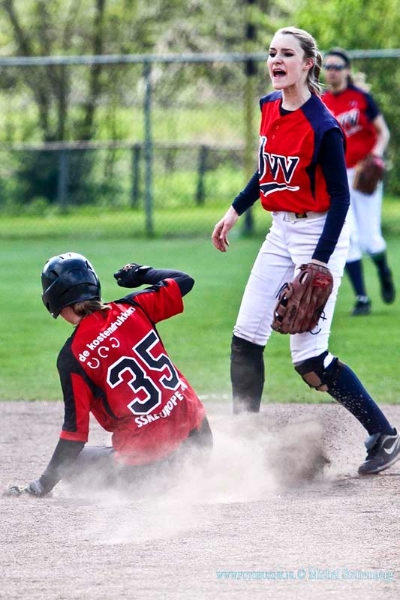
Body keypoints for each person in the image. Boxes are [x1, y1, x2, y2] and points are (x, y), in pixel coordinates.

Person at [211, 26, 400, 475]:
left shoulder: (324, 126)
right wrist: (235, 211)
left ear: (307, 63)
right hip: (280, 231)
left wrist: (318, 259)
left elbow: (341, 200)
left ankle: (384, 434)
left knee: (309, 361)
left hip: (321, 232)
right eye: (272, 52)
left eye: (287, 54)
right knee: (245, 338)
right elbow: (267, 172)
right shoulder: (268, 107)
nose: (276, 60)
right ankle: (246, 447)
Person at [5, 253, 212, 497]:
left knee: (75, 465)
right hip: (200, 443)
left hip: (152, 471)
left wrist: (40, 486)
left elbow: (74, 437)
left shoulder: (72, 357)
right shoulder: (133, 306)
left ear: (53, 298)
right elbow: (184, 280)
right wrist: (141, 273)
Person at [322, 47, 395, 316]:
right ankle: (362, 297)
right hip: (338, 177)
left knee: (370, 239)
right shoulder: (320, 101)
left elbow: (382, 132)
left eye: (337, 66)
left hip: (364, 176)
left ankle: (383, 270)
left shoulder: (361, 99)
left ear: (347, 71)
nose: (332, 71)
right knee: (348, 236)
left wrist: (375, 155)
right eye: (328, 66)